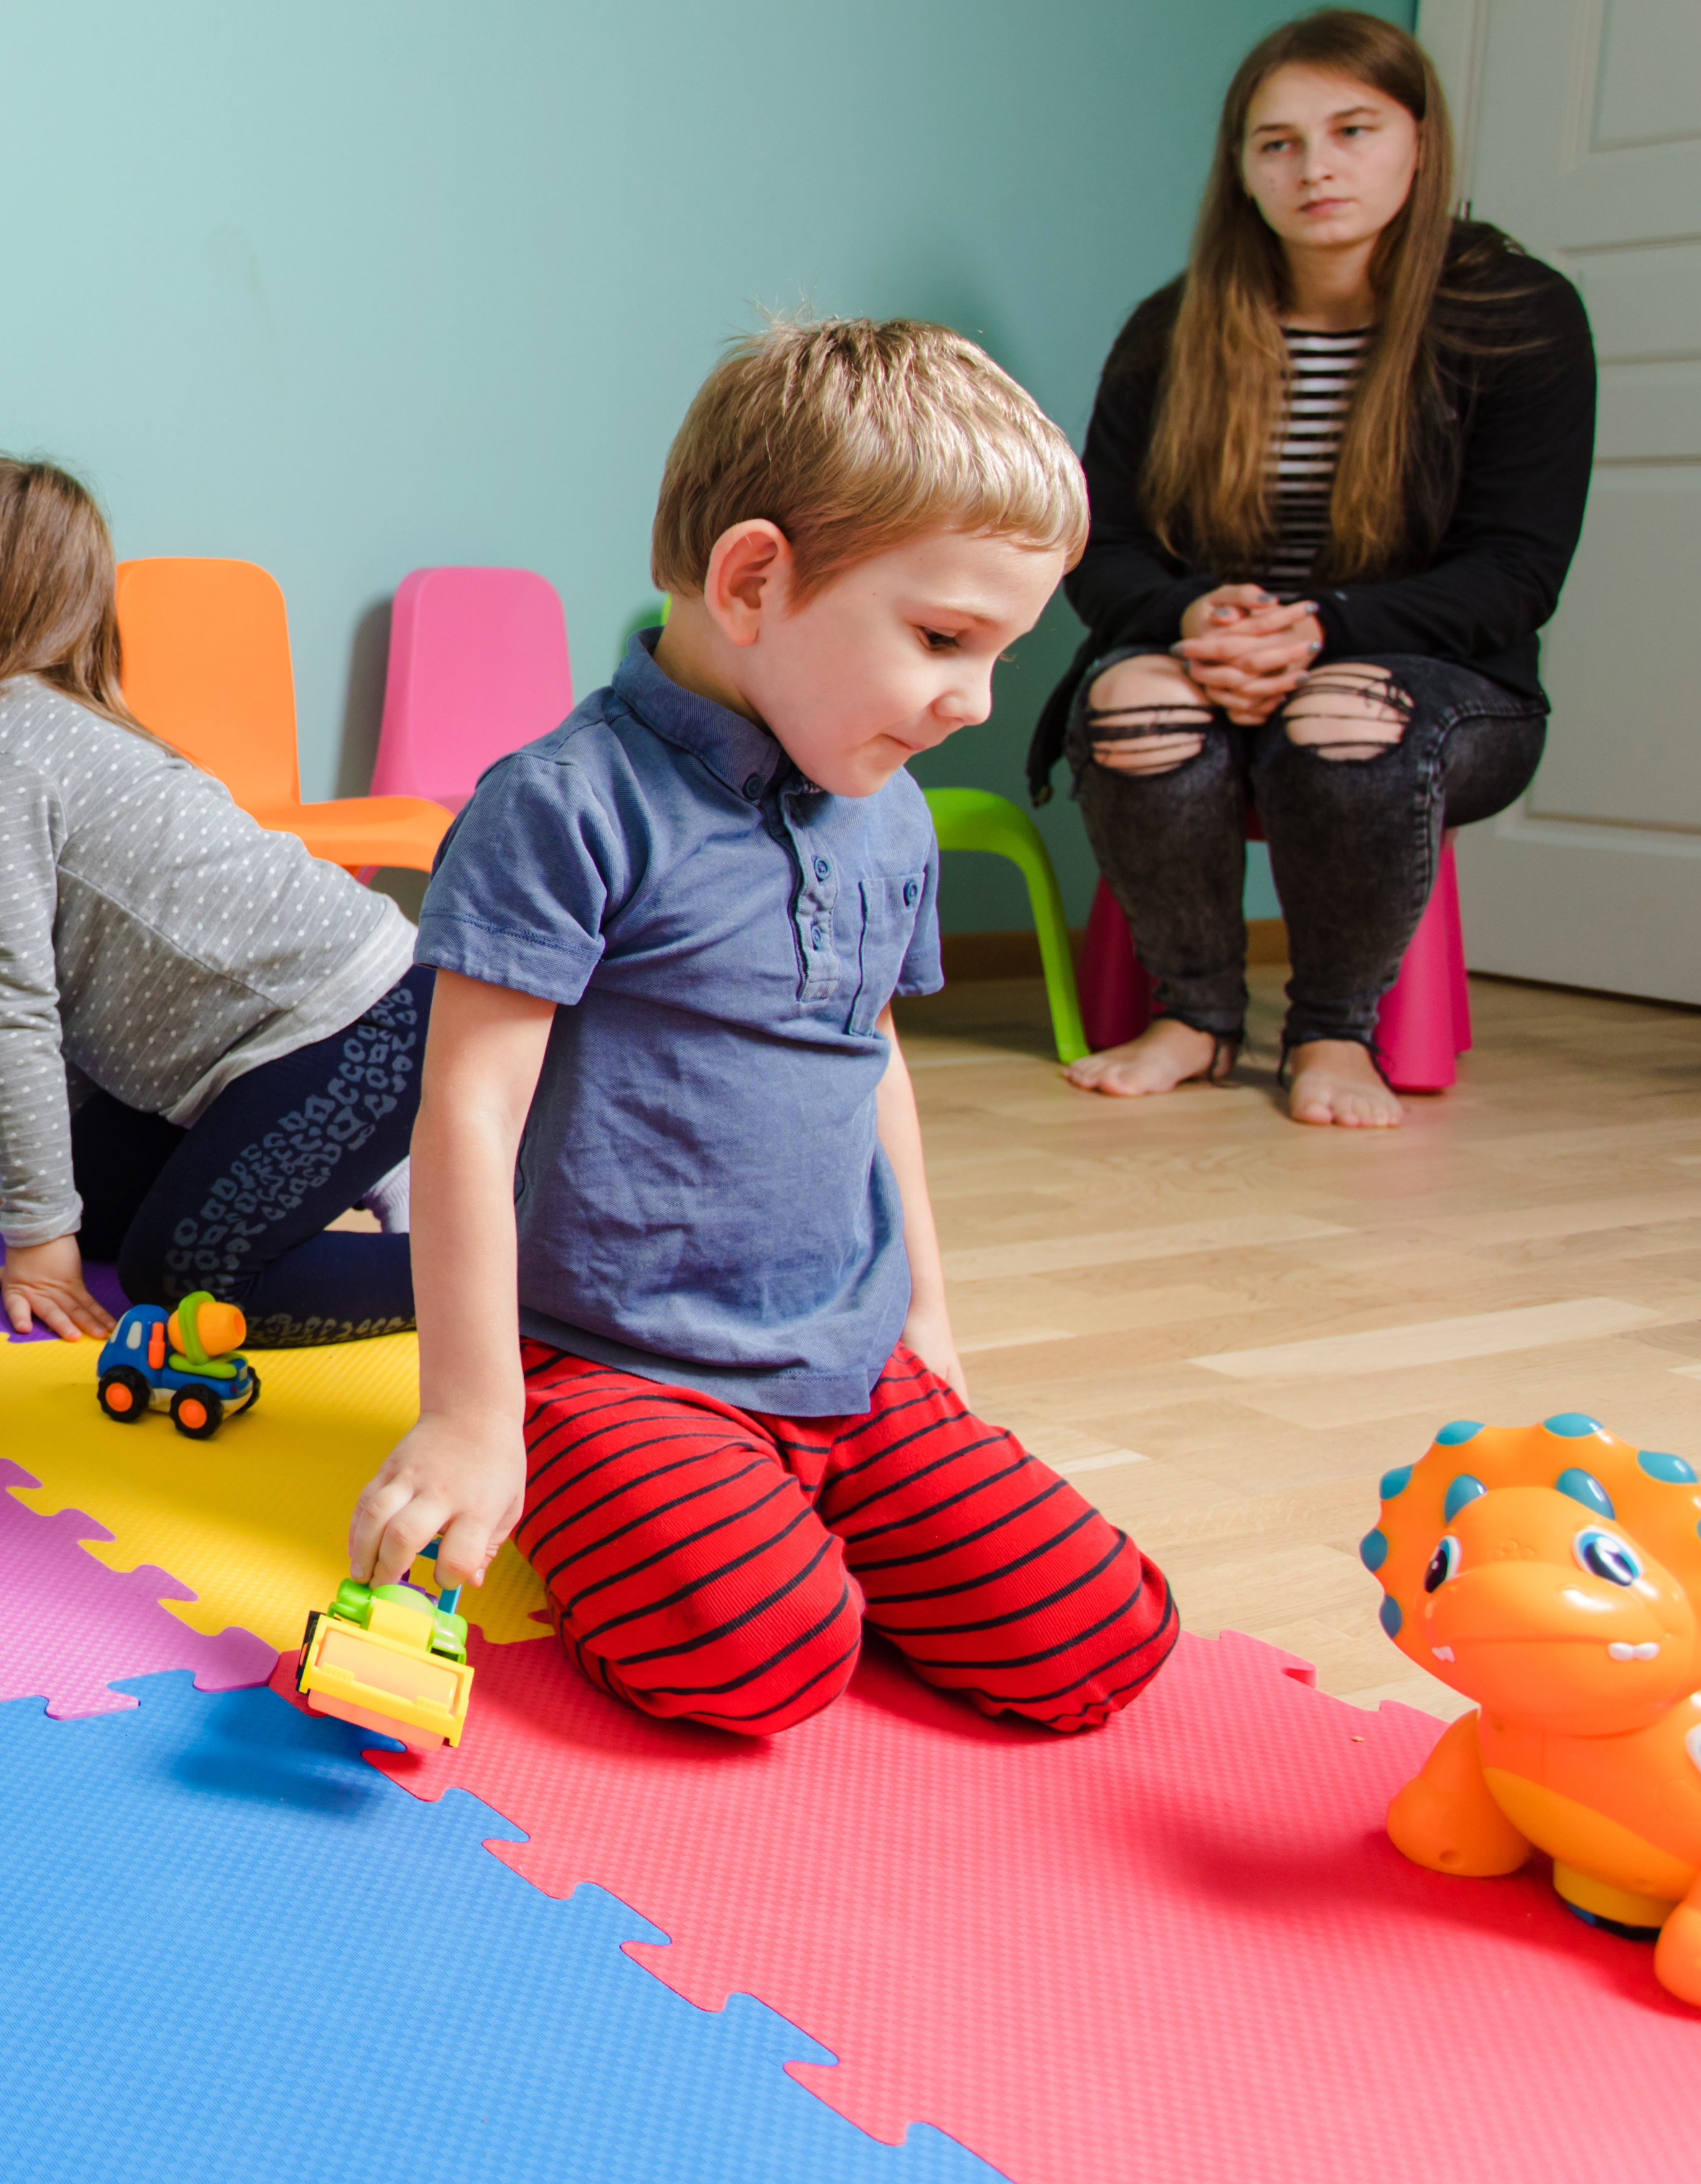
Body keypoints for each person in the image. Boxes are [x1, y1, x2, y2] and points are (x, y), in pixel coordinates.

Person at [349, 318, 1179, 1739]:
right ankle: (685, 1511)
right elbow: (467, 1117)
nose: (975, 703)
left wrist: (926, 1320)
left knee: (1103, 1636)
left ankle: (794, 1513)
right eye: (942, 640)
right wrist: (472, 1417)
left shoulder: (889, 808)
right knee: (761, 1660)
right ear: (752, 580)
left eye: (1001, 653)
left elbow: (878, 1066)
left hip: (845, 1357)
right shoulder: (567, 802)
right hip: (619, 1362)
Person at [1034, 8, 1595, 1128]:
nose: (1315, 168)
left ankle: (1336, 1028)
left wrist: (1323, 627)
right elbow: (1096, 543)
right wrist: (1195, 617)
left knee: (1343, 716)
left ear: (1420, 144)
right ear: (1240, 169)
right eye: (1276, 142)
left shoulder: (1519, 317)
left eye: (1353, 130)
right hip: (1216, 658)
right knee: (1130, 698)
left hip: (1432, 687)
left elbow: (1515, 573)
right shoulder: (1174, 327)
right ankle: (1193, 1014)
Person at [0, 453, 425, 1346]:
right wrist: (63, 1191)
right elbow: (73, 991)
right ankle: (367, 1164)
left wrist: (41, 1236)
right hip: (274, 1043)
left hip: (356, 1025)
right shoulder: (32, 723)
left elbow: (13, 1006)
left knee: (187, 1277)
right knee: (106, 1214)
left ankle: (512, 1269)